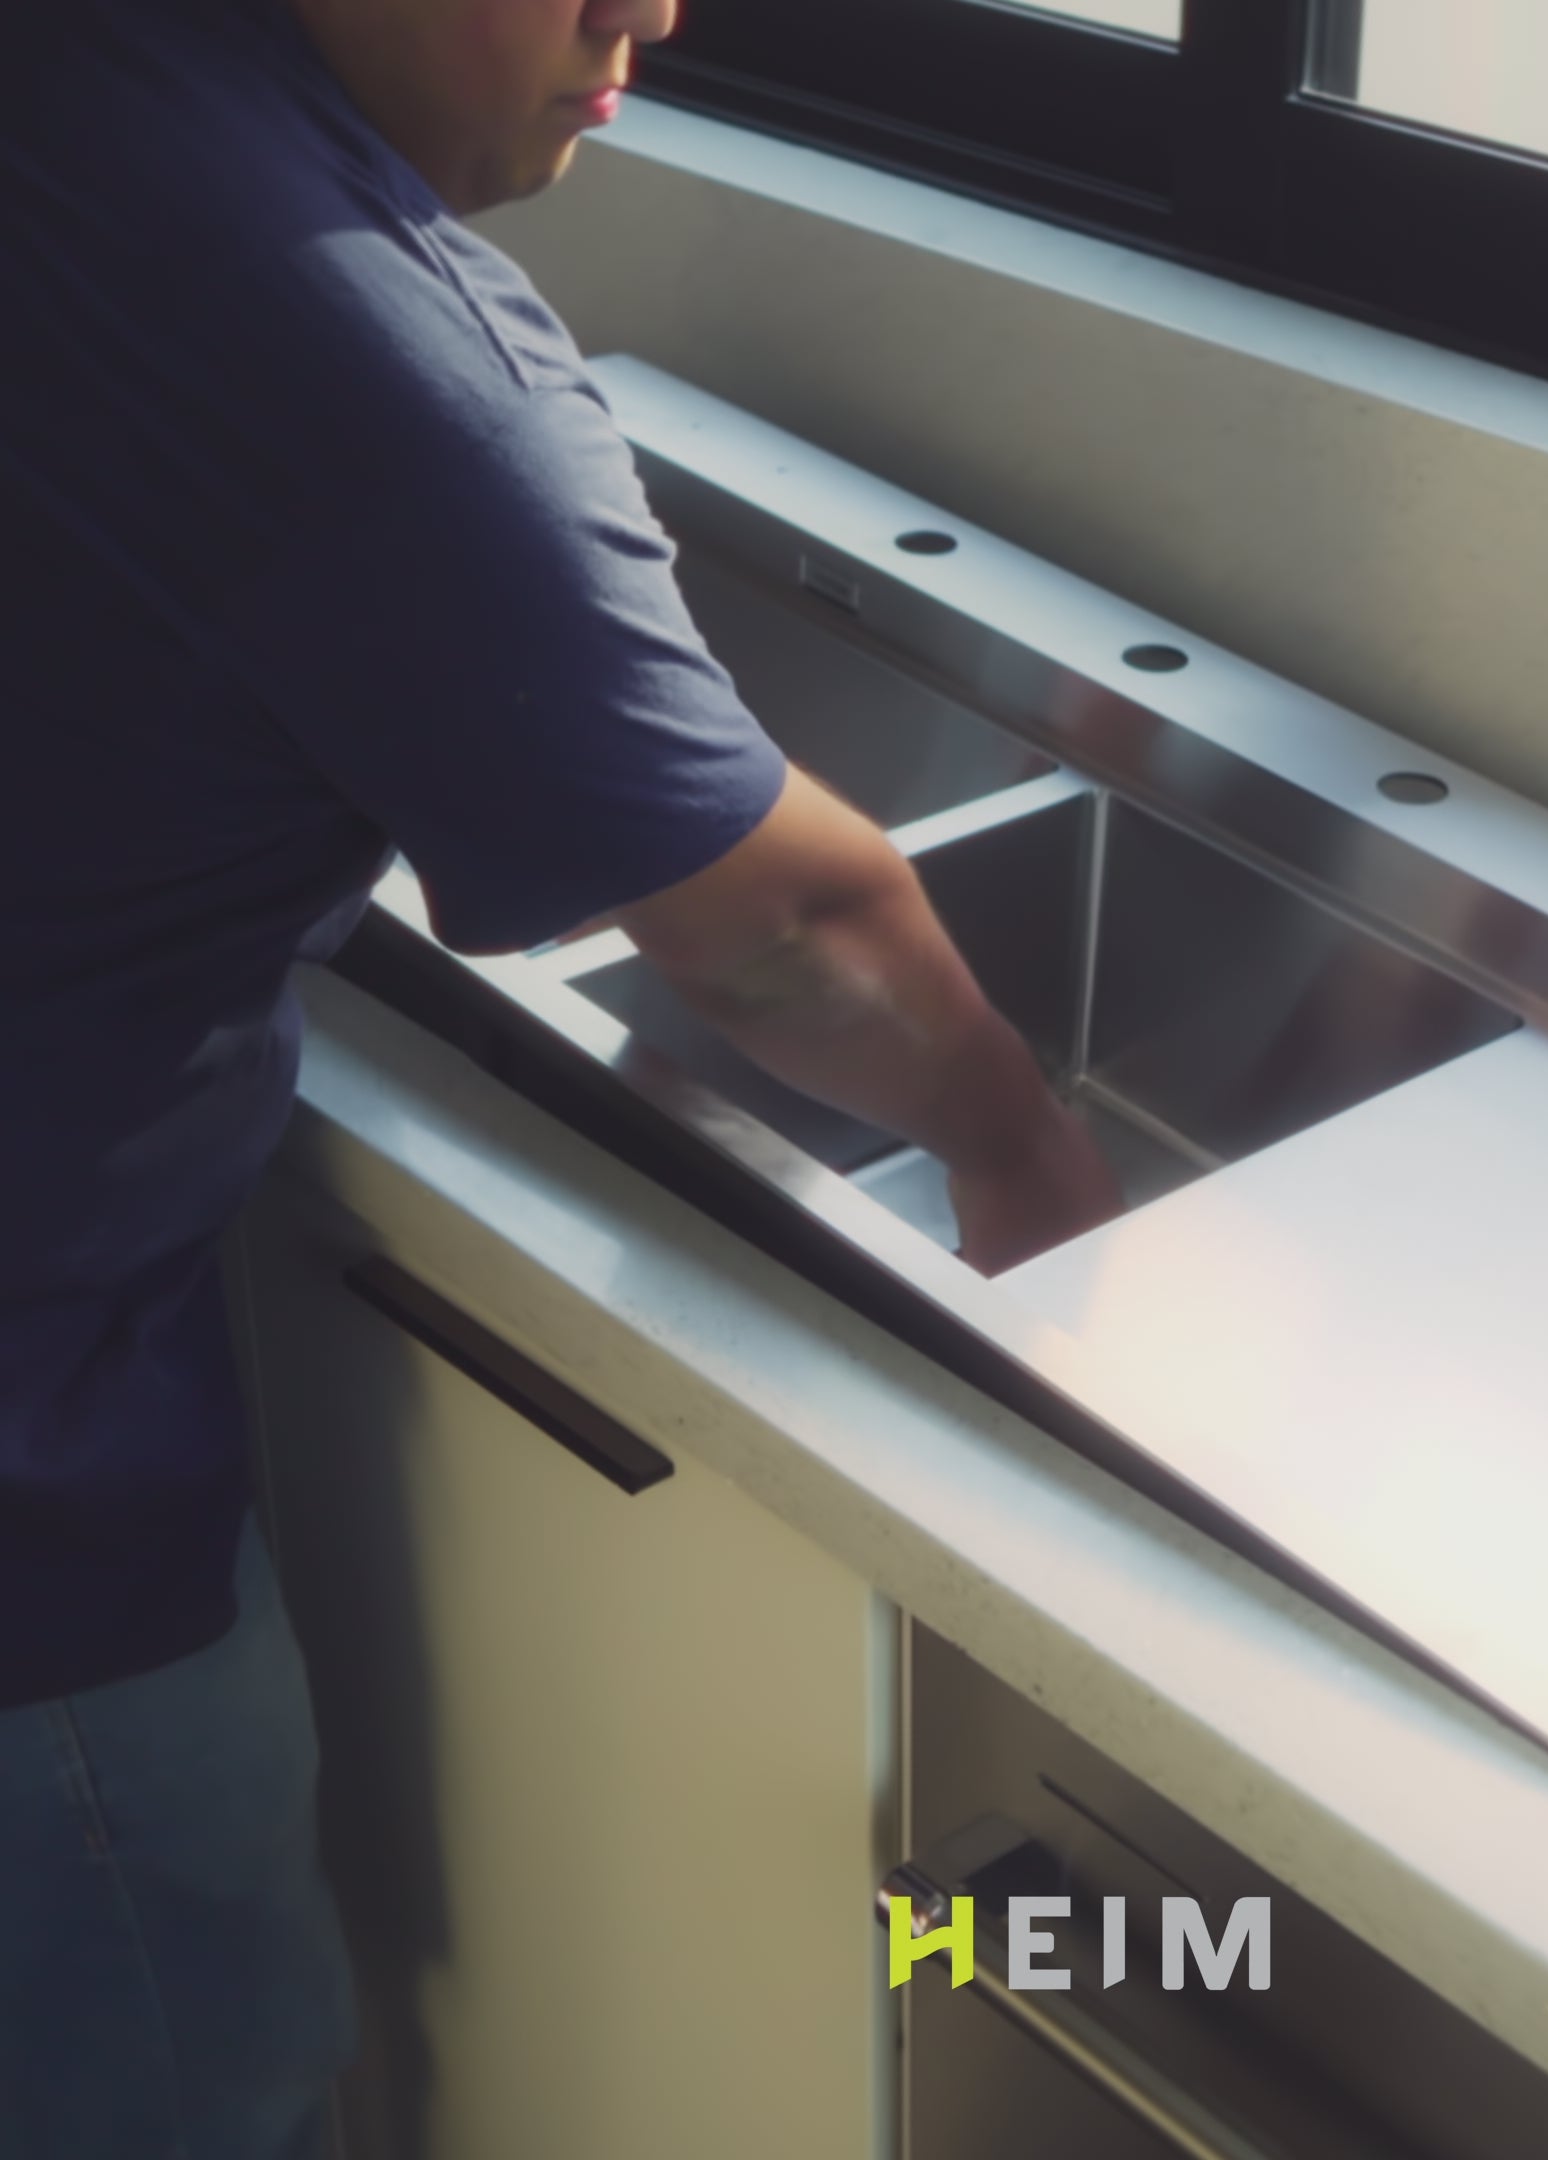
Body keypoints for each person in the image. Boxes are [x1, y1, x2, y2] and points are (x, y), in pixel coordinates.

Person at [0, 1, 1121, 2153]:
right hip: (27, 1543)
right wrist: (1039, 1180)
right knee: (178, 2082)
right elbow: (787, 934)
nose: (649, 8)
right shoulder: (363, 362)